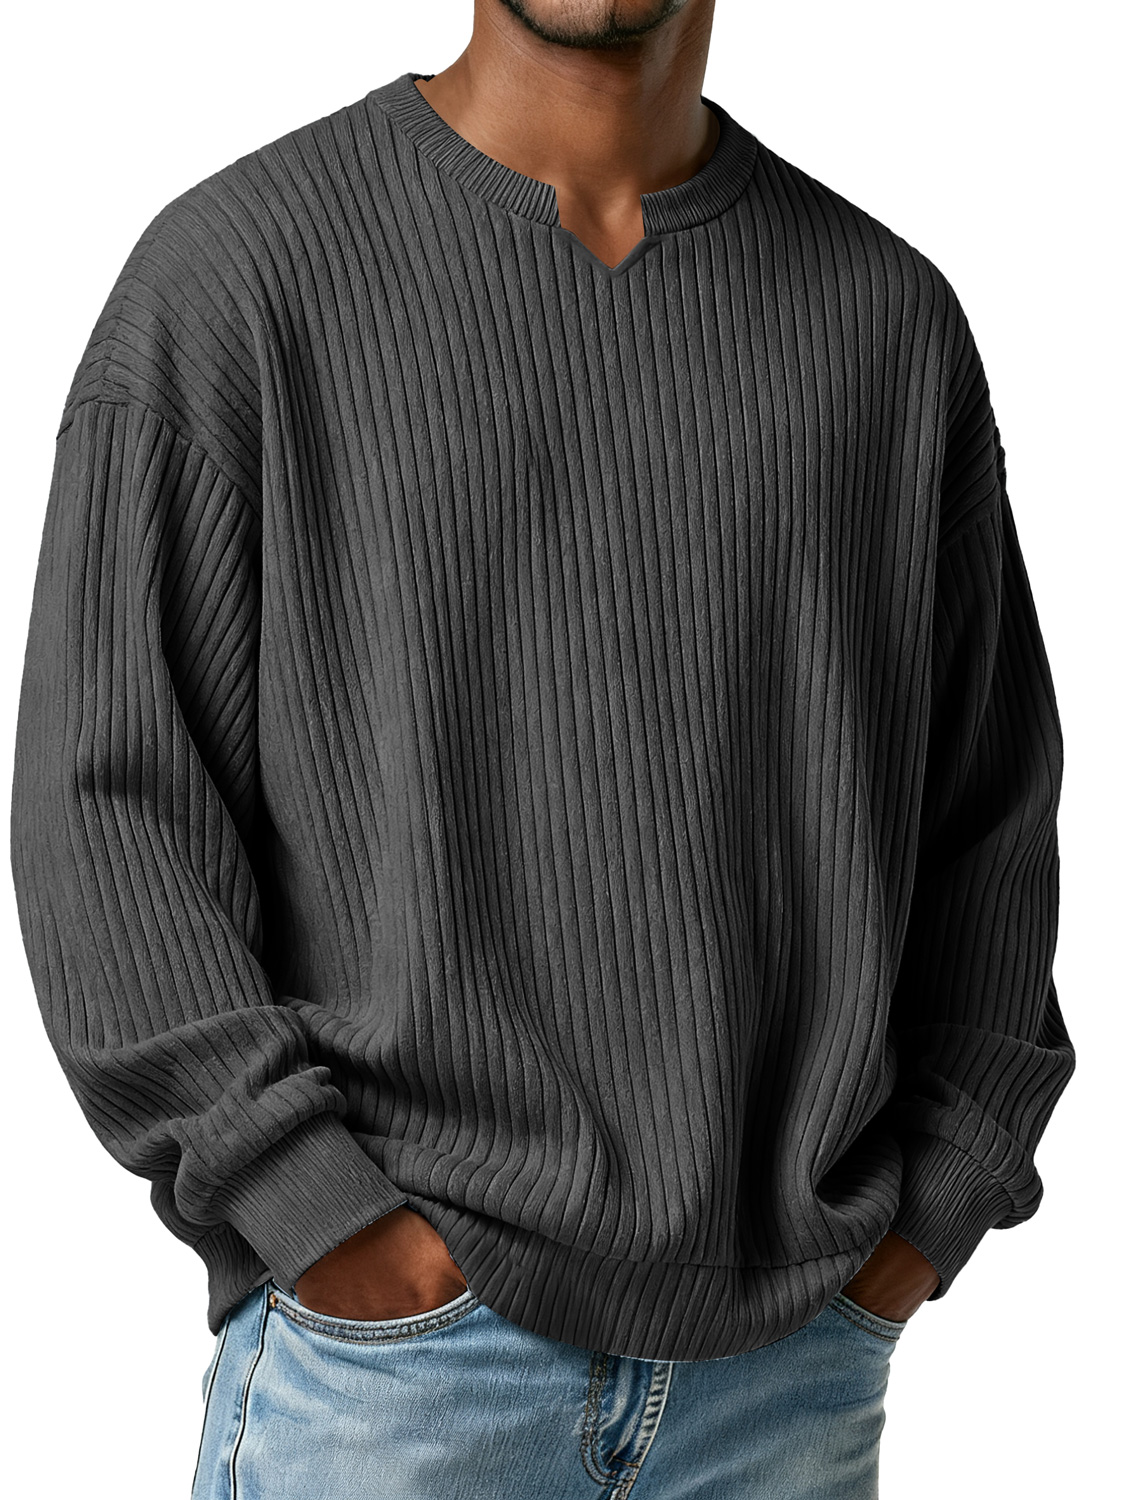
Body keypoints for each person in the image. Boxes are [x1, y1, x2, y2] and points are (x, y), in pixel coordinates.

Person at [10, 2, 1075, 1496]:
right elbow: (106, 808)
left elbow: (988, 820)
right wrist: (319, 1214)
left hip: (786, 1386)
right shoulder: (237, 276)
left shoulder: (887, 323)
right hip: (391, 1385)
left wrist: (928, 1214)